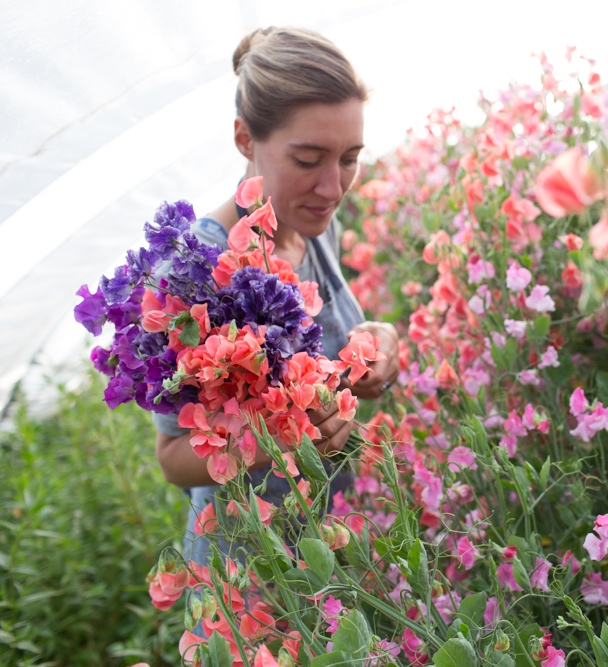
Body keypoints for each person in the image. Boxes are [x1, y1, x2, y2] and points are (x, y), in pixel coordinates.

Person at [152, 27, 399, 565]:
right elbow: (173, 456)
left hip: (332, 547)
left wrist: (378, 347)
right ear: (245, 139)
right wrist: (284, 433)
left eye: (349, 158)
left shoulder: (311, 221)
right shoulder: (194, 273)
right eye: (309, 160)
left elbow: (329, 354)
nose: (334, 187)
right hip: (250, 578)